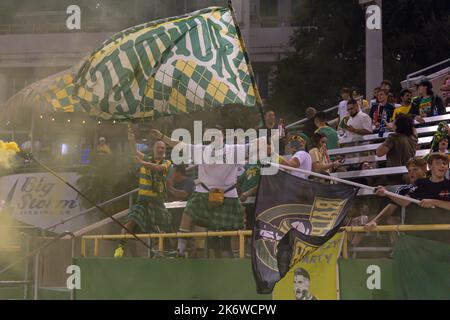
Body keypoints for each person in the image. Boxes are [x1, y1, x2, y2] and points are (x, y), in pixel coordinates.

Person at [152, 126, 262, 258]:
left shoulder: (234, 149)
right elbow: (181, 145)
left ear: (222, 136)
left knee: (235, 225)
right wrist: (162, 137)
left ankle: (240, 254)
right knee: (187, 214)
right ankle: (180, 251)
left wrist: (264, 143)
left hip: (228, 194)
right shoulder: (202, 150)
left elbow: (256, 144)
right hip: (203, 193)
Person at [114, 128, 172, 258]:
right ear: (153, 149)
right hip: (142, 200)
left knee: (166, 226)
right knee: (130, 222)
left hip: (157, 202)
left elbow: (159, 168)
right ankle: (120, 248)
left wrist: (142, 163)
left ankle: (164, 252)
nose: (161, 150)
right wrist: (131, 140)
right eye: (159, 147)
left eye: (163, 148)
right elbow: (134, 151)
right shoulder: (147, 158)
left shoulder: (167, 163)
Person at [365, 157, 428, 231]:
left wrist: (387, 193)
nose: (411, 173)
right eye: (409, 170)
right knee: (391, 220)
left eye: (415, 169)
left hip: (435, 229)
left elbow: (405, 201)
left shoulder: (433, 184)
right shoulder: (404, 189)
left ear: (424, 170)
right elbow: (391, 207)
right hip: (412, 232)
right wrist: (374, 221)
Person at [375, 153, 450, 211]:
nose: (442, 166)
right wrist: (386, 192)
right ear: (430, 166)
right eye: (438, 163)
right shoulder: (420, 183)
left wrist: (434, 202)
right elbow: (405, 202)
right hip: (422, 228)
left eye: (444, 163)